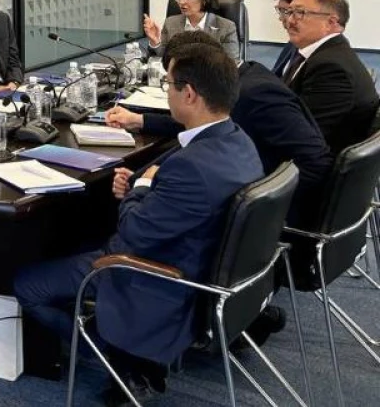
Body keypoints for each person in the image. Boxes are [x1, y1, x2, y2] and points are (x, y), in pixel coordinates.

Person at [14, 41, 262, 405]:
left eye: (169, 84)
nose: (167, 91)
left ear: (189, 94)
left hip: (155, 276)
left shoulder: (191, 167)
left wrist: (141, 189)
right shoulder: (238, 140)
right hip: (202, 263)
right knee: (78, 233)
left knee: (27, 286)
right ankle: (120, 341)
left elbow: (134, 234)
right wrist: (141, 187)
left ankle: (122, 363)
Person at [106, 31, 331, 229]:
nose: (170, 93)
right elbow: (202, 119)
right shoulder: (244, 81)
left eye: (170, 83)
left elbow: (315, 160)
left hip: (269, 216)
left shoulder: (257, 94)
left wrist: (266, 208)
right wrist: (141, 122)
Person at [279, 0, 379, 155]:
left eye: (299, 13)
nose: (289, 20)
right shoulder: (322, 53)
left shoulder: (331, 68)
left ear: (331, 22)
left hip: (309, 161)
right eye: (288, 12)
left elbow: (304, 133)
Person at [143, 0, 240, 62]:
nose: (181, 2)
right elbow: (163, 58)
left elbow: (231, 64)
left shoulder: (226, 27)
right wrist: (155, 41)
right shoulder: (171, 23)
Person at [269, 0, 328, 77]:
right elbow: (276, 76)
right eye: (280, 10)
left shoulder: (327, 62)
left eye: (285, 11)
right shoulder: (296, 41)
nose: (281, 18)